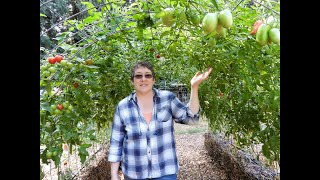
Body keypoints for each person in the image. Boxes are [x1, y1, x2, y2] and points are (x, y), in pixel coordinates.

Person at [108, 61, 212, 180]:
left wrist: (194, 87)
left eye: (148, 75)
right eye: (138, 76)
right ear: (132, 81)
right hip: (134, 173)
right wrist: (114, 175)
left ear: (154, 80)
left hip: (165, 172)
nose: (143, 79)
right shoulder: (123, 107)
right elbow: (116, 143)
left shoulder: (167, 99)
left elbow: (191, 118)